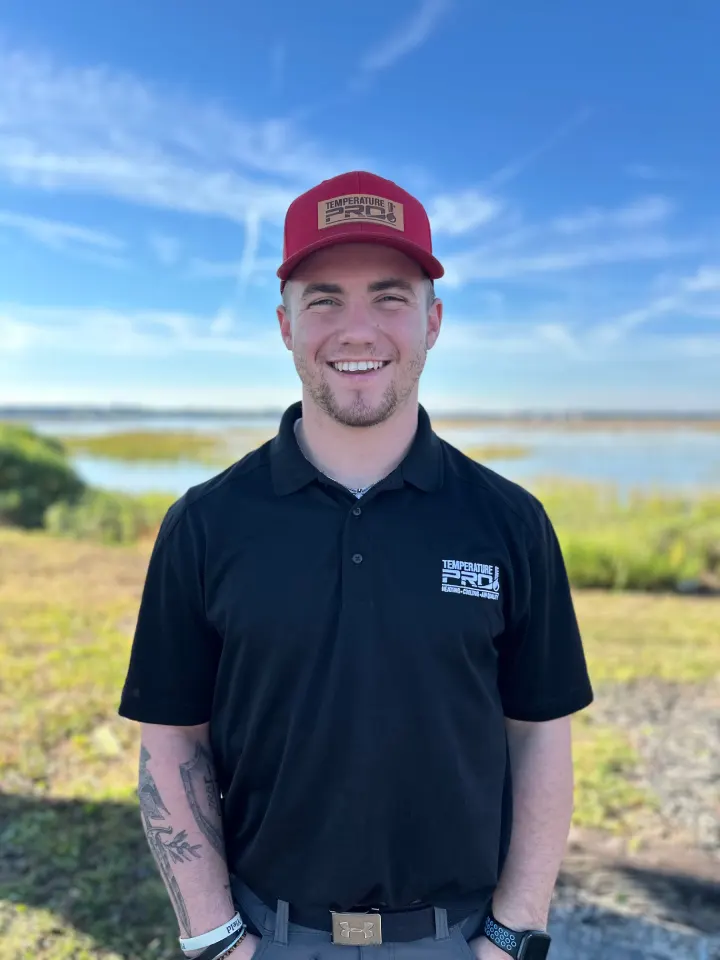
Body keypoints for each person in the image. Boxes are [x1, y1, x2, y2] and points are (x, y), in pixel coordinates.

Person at [118, 171, 594, 960]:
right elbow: (171, 739)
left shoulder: (510, 522)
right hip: (268, 936)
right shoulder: (205, 523)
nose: (358, 331)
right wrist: (214, 939)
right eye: (324, 300)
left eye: (390, 297)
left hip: (457, 938)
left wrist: (513, 932)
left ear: (434, 321)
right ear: (285, 325)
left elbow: (540, 733)